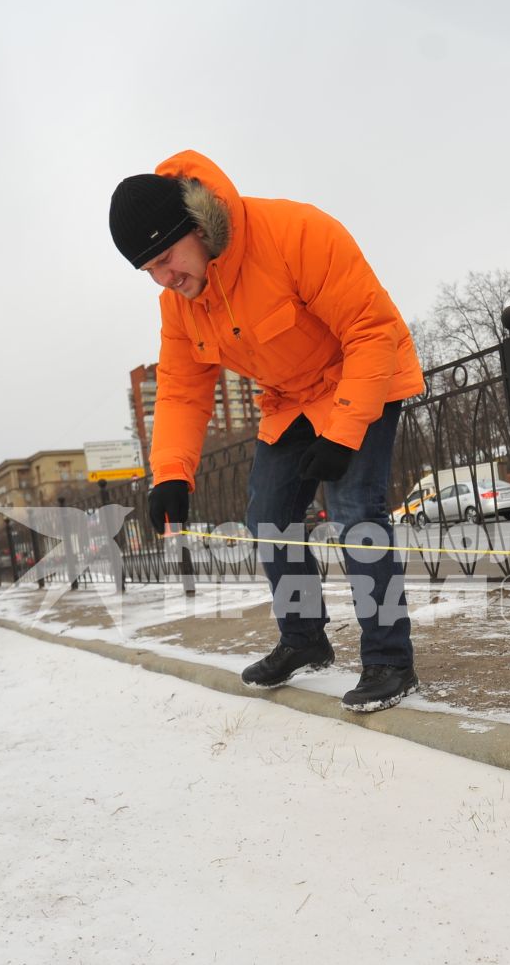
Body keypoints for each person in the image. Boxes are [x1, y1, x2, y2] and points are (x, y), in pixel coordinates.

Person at [109, 151, 425, 713]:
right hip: (291, 400)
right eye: (148, 270)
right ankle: (305, 640)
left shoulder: (294, 233)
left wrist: (344, 431)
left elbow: (371, 332)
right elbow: (182, 390)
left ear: (198, 228)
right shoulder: (180, 304)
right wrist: (172, 474)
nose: (163, 278)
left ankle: (389, 661)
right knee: (268, 518)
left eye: (165, 258)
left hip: (363, 374)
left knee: (354, 510)